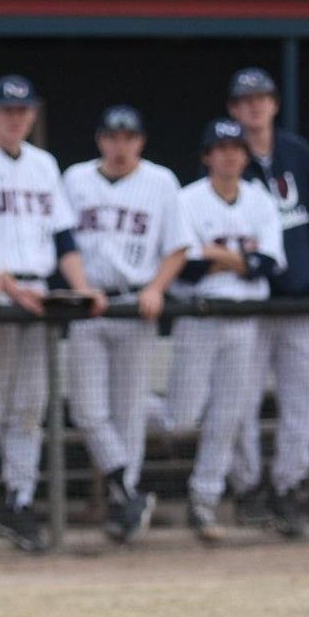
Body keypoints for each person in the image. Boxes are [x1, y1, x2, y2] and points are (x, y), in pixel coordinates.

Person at [0, 75, 103, 551]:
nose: (16, 117)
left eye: (23, 111)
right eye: (7, 110)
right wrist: (7, 286)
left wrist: (82, 289)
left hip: (39, 292)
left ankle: (19, 498)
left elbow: (63, 238)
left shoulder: (44, 164)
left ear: (33, 116)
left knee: (29, 407)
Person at [60, 105, 191, 542]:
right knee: (86, 409)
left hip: (135, 304)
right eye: (113, 137)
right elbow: (63, 240)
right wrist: (80, 287)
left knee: (129, 412)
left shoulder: (161, 181)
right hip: (89, 303)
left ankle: (123, 507)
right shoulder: (76, 178)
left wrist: (156, 287)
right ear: (100, 140)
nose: (120, 146)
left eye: (129, 138)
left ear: (141, 141)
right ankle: (129, 488)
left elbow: (178, 247)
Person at [224, 67, 309, 538]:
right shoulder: (226, 157)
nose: (254, 106)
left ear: (274, 104)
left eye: (262, 98)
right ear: (234, 109)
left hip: (300, 301)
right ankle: (247, 486)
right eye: (245, 100)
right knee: (241, 400)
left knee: (305, 397)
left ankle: (289, 484)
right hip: (251, 301)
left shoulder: (297, 152)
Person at [166, 118, 285, 542]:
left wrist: (223, 255)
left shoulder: (260, 201)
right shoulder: (187, 199)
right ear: (206, 156)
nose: (230, 154)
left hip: (244, 321)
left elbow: (268, 265)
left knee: (229, 415)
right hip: (199, 317)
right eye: (220, 147)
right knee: (180, 417)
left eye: (236, 147)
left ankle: (204, 500)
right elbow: (191, 266)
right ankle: (123, 418)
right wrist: (241, 258)